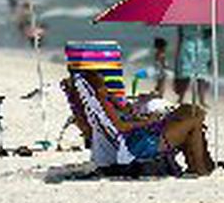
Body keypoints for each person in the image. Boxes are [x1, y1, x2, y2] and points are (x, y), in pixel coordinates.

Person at [73, 70, 214, 176]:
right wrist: (148, 121)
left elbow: (124, 116)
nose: (106, 88)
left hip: (140, 135)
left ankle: (198, 165)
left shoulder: (103, 101)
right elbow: (121, 127)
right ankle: (200, 167)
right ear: (97, 89)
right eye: (102, 85)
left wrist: (139, 111)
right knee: (195, 117)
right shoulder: (104, 104)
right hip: (140, 144)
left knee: (188, 110)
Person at [173, 25, 212, 105]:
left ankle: (200, 99)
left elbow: (209, 34)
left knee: (201, 75)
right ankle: (183, 97)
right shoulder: (206, 19)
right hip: (193, 46)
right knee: (187, 74)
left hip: (199, 46)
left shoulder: (183, 20)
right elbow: (180, 37)